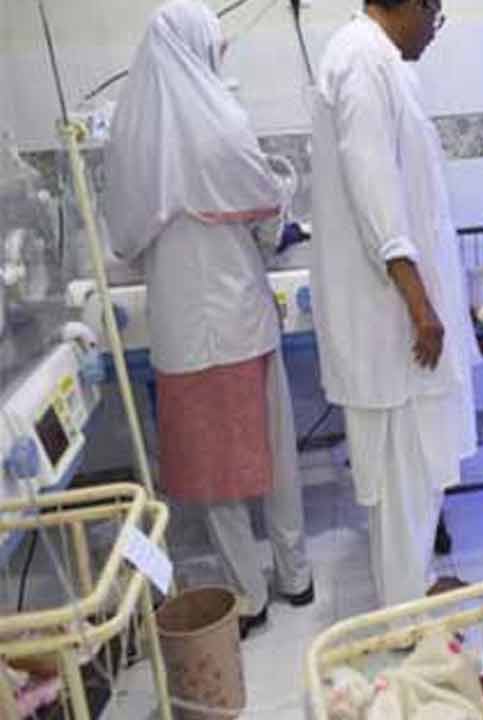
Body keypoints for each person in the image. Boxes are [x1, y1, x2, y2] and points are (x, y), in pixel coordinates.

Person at [104, 0, 313, 638]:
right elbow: (268, 211)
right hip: (243, 319)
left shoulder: (131, 139)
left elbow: (124, 240)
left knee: (217, 477)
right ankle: (296, 575)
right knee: (275, 454)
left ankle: (247, 594)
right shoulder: (225, 124)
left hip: (181, 332)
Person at [310, 0, 477, 609]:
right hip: (393, 321)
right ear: (410, 3)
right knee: (405, 477)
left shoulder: (379, 60)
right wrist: (420, 306)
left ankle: (414, 589)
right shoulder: (360, 60)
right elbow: (373, 190)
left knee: (415, 474)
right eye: (435, 12)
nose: (435, 27)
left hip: (397, 314)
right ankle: (405, 618)